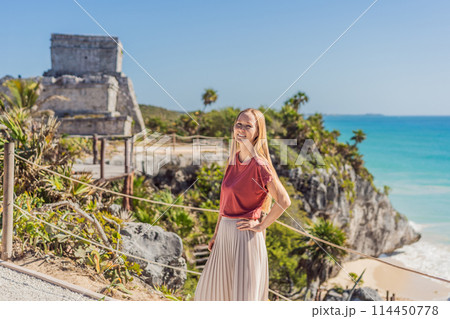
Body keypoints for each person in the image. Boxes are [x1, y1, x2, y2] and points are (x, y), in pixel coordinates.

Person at [194, 108, 292, 301]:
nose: (241, 129)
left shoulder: (260, 165)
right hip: (224, 236)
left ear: (257, 132)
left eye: (248, 126)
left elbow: (284, 201)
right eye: (239, 124)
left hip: (244, 238)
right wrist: (216, 234)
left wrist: (262, 225)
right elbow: (224, 203)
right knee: (211, 296)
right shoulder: (233, 159)